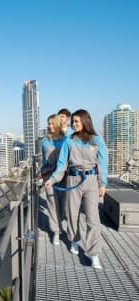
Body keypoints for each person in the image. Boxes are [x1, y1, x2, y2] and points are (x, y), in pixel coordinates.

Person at [45, 109, 108, 269]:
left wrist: (103, 183)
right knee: (72, 214)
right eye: (73, 122)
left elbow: (102, 164)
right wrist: (52, 179)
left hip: (91, 181)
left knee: (93, 219)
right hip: (73, 179)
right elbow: (62, 164)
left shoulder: (97, 140)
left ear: (85, 122)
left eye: (77, 122)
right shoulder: (69, 141)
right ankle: (74, 239)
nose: (74, 124)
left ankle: (94, 254)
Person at [41, 114, 65, 245]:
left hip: (63, 174)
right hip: (48, 175)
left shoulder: (66, 139)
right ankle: (55, 231)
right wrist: (43, 172)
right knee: (52, 203)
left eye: (51, 123)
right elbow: (44, 159)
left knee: (63, 204)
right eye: (48, 123)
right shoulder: (44, 140)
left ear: (57, 124)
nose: (49, 126)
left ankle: (60, 221)